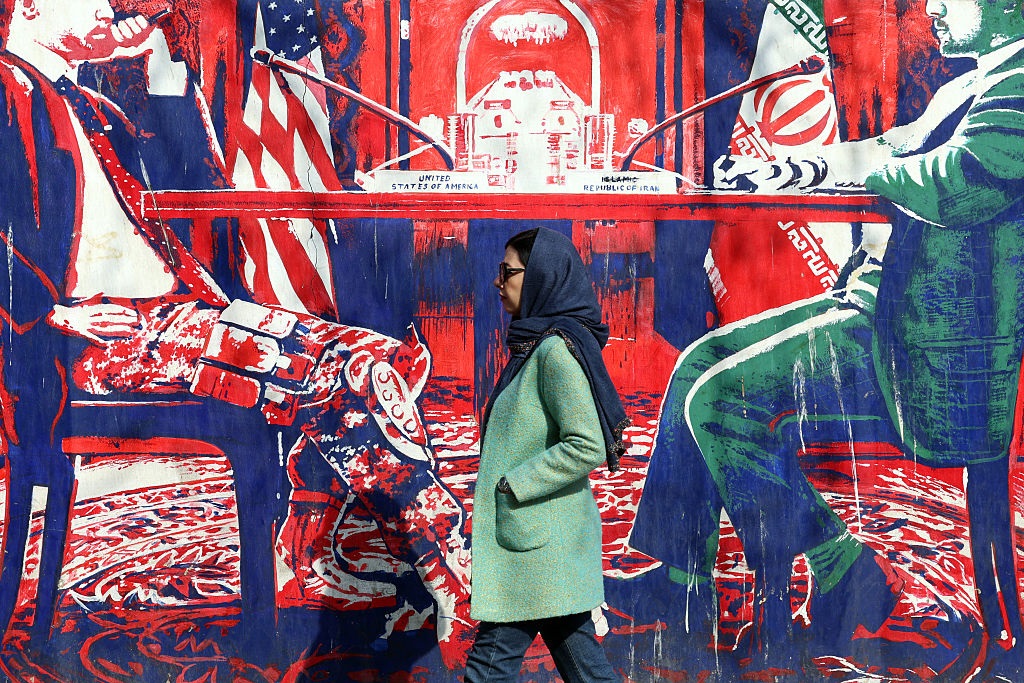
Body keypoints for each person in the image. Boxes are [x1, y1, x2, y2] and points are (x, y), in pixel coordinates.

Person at [0, 0, 473, 668]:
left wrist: (159, 66)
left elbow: (192, 182)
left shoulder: (93, 105)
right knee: (352, 369)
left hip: (172, 319)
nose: (114, 6)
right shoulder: (8, 88)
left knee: (375, 358)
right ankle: (448, 572)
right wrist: (53, 314)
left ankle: (312, 551)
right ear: (29, 5)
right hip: (88, 342)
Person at [631, 0, 1024, 676]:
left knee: (721, 400)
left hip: (923, 349)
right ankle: (681, 580)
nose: (931, 8)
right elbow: (896, 152)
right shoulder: (976, 79)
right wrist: (805, 169)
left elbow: (958, 186)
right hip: (880, 306)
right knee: (699, 361)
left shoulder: (1017, 85)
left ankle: (838, 566)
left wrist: (871, 172)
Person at [463, 227, 627, 682]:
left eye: (508, 272)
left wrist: (514, 484)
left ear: (540, 276)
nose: (498, 282)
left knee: (488, 669)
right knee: (583, 668)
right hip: (538, 545)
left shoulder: (554, 352)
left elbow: (587, 443)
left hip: (537, 546)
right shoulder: (532, 348)